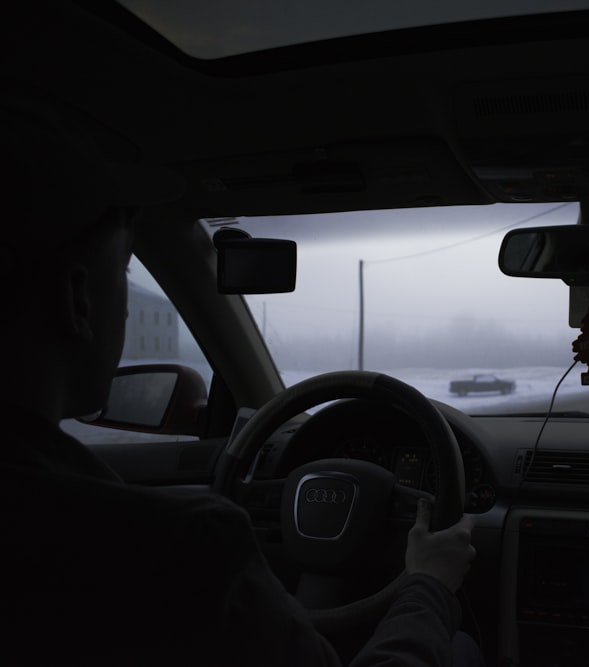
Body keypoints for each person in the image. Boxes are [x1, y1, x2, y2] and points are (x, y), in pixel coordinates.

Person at [0, 93, 478, 666]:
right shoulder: (180, 552)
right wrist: (426, 581)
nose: (125, 306)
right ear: (77, 299)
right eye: (124, 271)